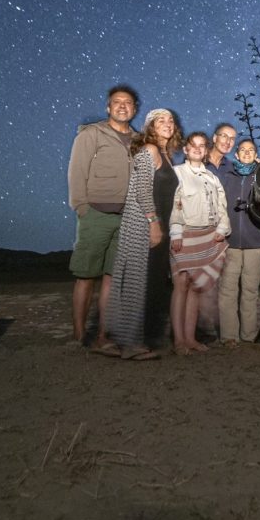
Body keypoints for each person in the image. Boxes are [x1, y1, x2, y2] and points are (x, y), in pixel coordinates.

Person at [66, 85, 138, 351]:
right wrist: (81, 207)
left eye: (128, 102)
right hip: (95, 213)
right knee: (86, 275)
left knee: (111, 277)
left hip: (127, 217)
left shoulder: (140, 140)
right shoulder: (92, 134)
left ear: (134, 109)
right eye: (117, 102)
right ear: (108, 107)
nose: (122, 106)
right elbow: (76, 171)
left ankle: (103, 336)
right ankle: (78, 335)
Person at [106, 108, 181, 360]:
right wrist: (153, 222)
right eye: (161, 120)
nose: (167, 123)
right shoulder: (148, 150)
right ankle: (129, 344)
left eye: (171, 120)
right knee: (137, 283)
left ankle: (137, 340)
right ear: (150, 126)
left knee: (150, 283)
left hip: (160, 224)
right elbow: (140, 190)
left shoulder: (166, 155)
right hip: (143, 224)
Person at [169, 132, 230, 354]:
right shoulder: (177, 173)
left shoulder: (212, 178)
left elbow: (221, 205)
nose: (197, 148)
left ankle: (190, 338)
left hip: (207, 235)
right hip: (185, 234)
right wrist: (175, 231)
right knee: (181, 284)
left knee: (196, 287)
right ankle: (178, 341)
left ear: (206, 150)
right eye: (192, 145)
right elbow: (174, 203)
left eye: (202, 146)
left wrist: (222, 228)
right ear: (185, 149)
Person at [219, 139, 260, 347]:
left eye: (251, 150)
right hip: (230, 240)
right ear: (236, 154)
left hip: (256, 238)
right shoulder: (226, 175)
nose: (247, 153)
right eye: (243, 150)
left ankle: (248, 334)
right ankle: (229, 335)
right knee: (228, 289)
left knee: (250, 290)